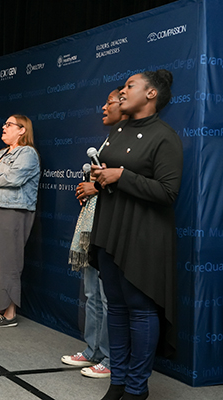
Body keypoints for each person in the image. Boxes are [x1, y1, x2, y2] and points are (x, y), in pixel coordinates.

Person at [90, 70, 183, 400]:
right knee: (115, 307)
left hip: (143, 235)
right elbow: (112, 175)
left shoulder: (164, 136)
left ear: (151, 94)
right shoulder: (119, 129)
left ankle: (136, 388)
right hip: (111, 229)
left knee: (140, 310)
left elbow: (169, 192)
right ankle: (118, 382)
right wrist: (101, 177)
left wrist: (121, 176)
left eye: (130, 86)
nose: (122, 92)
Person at [62, 87, 128, 379]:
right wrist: (86, 188)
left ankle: (112, 359)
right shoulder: (110, 137)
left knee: (107, 296)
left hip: (110, 225)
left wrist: (96, 186)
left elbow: (125, 179)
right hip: (91, 221)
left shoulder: (129, 139)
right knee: (91, 293)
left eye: (109, 102)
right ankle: (93, 351)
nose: (103, 107)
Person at [0, 114, 40, 328]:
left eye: (9, 124)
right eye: (4, 124)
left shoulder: (27, 153)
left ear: (22, 130)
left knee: (8, 262)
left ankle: (10, 314)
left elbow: (13, 179)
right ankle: (1, 305)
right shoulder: (2, 153)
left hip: (12, 210)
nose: (3, 127)